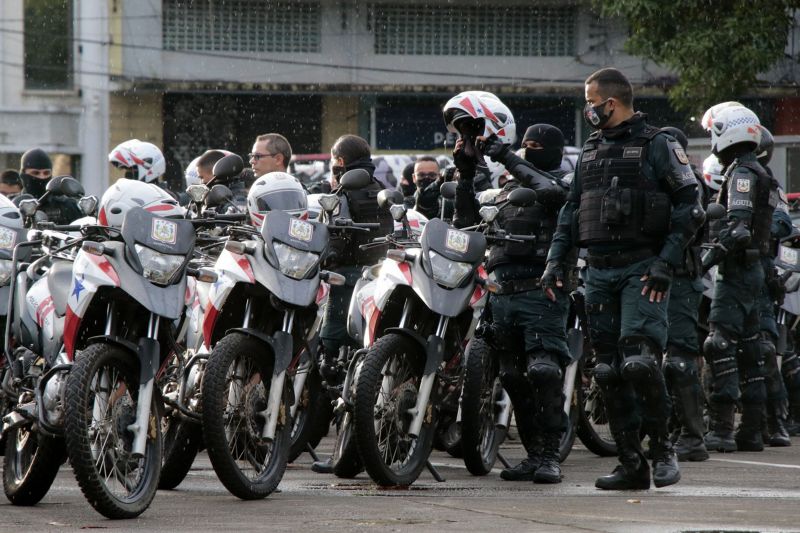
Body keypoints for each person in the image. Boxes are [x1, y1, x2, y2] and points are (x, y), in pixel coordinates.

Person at [545, 68, 701, 490]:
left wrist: (665, 264)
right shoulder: (591, 150)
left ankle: (663, 450)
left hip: (642, 269)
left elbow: (690, 207)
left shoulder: (657, 145)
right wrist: (556, 261)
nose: (588, 108)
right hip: (598, 270)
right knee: (610, 371)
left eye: (590, 100)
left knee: (639, 362)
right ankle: (631, 464)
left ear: (609, 104)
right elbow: (571, 211)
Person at [451, 108, 573, 484]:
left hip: (542, 291)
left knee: (543, 371)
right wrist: (466, 171)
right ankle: (533, 454)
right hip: (501, 294)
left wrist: (505, 154)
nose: (528, 150)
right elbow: (465, 224)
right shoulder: (505, 189)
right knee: (513, 376)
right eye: (526, 145)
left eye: (536, 146)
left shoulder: (563, 183)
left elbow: (549, 191)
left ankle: (551, 455)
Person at [701, 105, 781, 454]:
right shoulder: (756, 169)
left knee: (718, 344)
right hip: (754, 270)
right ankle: (751, 430)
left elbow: (738, 229)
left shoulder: (742, 174)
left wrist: (706, 259)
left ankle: (720, 429)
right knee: (751, 350)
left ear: (729, 131)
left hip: (739, 270)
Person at [312, 134, 393, 473]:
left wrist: (326, 257)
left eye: (334, 159)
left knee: (332, 357)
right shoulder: (379, 188)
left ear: (340, 161)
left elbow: (333, 233)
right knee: (364, 354)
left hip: (346, 277)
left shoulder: (345, 190)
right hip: (377, 276)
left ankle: (344, 450)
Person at [658, 126, 710, 462]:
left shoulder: (689, 182)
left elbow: (689, 223)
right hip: (654, 277)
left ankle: (692, 436)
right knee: (655, 359)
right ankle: (672, 431)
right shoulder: (656, 177)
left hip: (679, 278)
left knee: (678, 358)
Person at [19, 147, 82, 224]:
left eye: (46, 173)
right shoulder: (13, 205)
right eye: (35, 173)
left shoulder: (66, 205)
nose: (42, 177)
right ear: (23, 175)